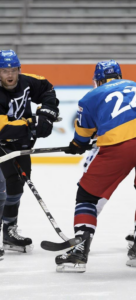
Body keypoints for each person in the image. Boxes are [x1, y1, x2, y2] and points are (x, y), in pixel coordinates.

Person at [55, 60, 136, 273]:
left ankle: (79, 251)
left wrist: (76, 145)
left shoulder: (90, 96)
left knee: (87, 197)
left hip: (120, 147)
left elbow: (82, 137)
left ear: (98, 80)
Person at [0, 50, 59, 255]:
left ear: (19, 70)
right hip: (1, 144)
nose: (9, 74)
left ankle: (9, 231)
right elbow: (2, 127)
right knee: (1, 189)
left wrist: (46, 114)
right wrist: (31, 125)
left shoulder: (28, 82)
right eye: (4, 70)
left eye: (13, 70)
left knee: (17, 185)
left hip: (20, 145)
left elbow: (48, 90)